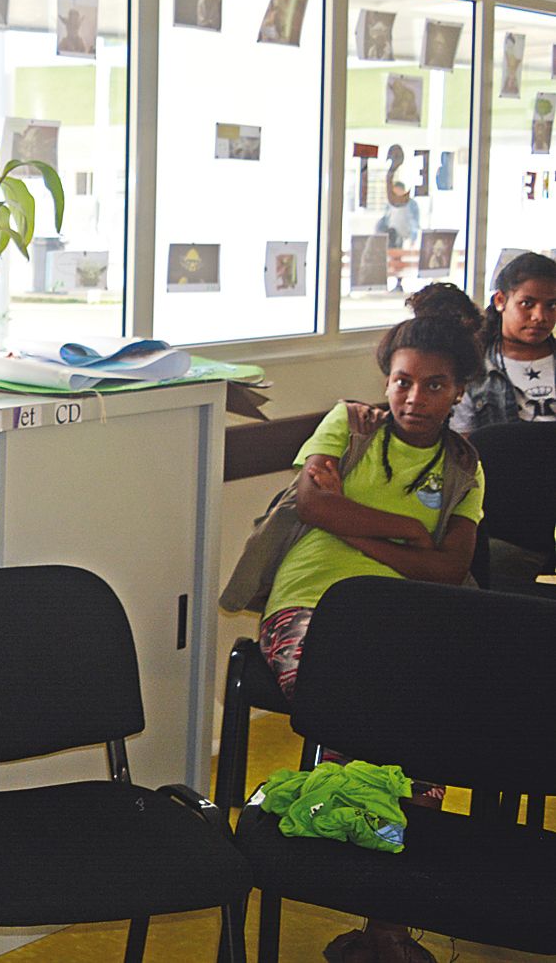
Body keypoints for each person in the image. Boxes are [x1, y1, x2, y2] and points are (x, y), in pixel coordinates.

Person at [252, 287, 484, 963]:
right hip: (308, 608)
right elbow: (314, 508)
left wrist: (372, 540)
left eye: (433, 384)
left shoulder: (466, 468)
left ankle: (388, 920)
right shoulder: (349, 425)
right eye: (401, 381)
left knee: (425, 744)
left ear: (458, 391)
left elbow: (450, 572)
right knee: (355, 723)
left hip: (405, 622)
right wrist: (410, 533)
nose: (413, 397)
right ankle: (333, 864)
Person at [452, 252, 556, 441]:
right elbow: (464, 445)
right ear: (500, 301)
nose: (540, 316)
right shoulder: (475, 367)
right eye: (527, 304)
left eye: (552, 305)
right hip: (501, 469)